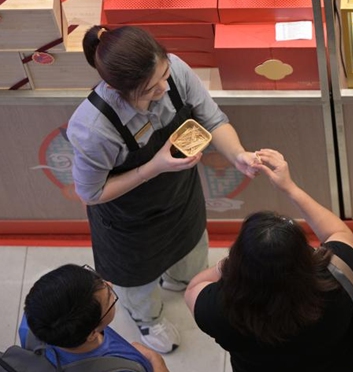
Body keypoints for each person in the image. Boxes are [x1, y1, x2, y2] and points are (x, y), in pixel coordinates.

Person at [67, 25, 266, 354]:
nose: (163, 87)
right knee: (139, 284)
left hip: (180, 199)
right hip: (129, 224)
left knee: (192, 253)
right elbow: (91, 193)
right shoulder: (93, 128)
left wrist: (239, 155)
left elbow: (213, 120)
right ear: (119, 90)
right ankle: (148, 318)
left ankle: (183, 280)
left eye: (164, 75)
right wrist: (153, 167)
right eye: (150, 89)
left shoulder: (175, 70)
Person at [184, 149, 353, 372]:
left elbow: (193, 289)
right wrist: (289, 187)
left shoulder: (221, 310)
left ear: (239, 261)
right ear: (305, 255)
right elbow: (339, 232)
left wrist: (230, 266)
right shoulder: (337, 278)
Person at [18, 264, 169, 372]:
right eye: (110, 297)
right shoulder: (121, 368)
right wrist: (158, 363)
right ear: (91, 334)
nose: (110, 284)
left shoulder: (31, 323)